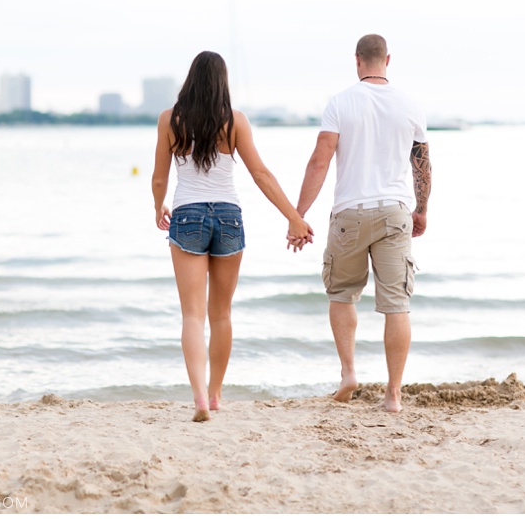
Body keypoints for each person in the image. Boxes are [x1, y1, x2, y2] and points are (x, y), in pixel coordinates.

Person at [152, 50, 312, 422]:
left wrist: (158, 205)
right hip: (228, 217)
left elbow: (160, 176)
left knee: (192, 315)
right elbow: (261, 174)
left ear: (190, 80)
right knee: (220, 314)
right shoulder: (235, 121)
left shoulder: (169, 120)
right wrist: (293, 217)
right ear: (223, 82)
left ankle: (199, 400)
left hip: (188, 215)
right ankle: (216, 394)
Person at [293, 34, 432, 412]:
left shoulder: (340, 103)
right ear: (388, 59)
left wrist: (298, 214)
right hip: (394, 211)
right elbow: (422, 163)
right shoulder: (410, 105)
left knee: (341, 294)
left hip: (349, 213)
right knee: (396, 304)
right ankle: (393, 396)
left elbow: (319, 161)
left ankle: (349, 372)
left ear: (357, 61)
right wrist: (421, 209)